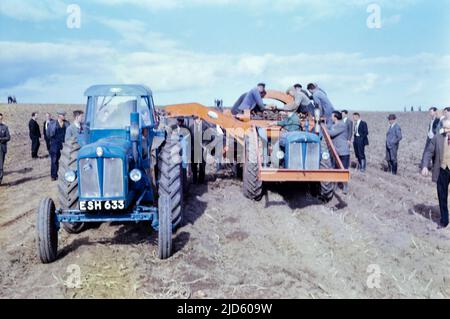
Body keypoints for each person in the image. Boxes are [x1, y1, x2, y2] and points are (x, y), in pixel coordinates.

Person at [421, 119, 450, 229]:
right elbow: (428, 152)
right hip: (442, 170)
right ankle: (444, 221)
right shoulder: (437, 138)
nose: (447, 131)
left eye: (449, 128)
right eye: (445, 128)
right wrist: (424, 166)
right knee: (442, 196)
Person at [329, 111, 350, 194]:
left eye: (332, 116)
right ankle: (336, 186)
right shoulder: (334, 125)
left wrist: (322, 127)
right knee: (336, 169)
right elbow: (330, 128)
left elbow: (332, 133)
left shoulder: (342, 125)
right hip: (336, 151)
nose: (331, 118)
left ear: (335, 117)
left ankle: (345, 187)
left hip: (343, 151)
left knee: (343, 170)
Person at [189, 116, 213, 184]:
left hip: (202, 149)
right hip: (194, 149)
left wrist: (206, 145)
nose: (196, 120)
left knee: (202, 166)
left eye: (197, 119)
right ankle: (194, 179)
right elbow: (189, 138)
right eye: (195, 119)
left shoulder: (205, 127)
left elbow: (210, 137)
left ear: (200, 119)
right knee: (193, 165)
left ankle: (201, 181)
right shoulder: (191, 127)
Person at [47, 110, 70, 181]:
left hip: (64, 143)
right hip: (54, 143)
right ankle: (53, 176)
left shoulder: (67, 123)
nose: (64, 116)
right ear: (59, 116)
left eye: (64, 115)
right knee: (54, 160)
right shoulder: (52, 123)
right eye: (63, 115)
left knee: (66, 160)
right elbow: (48, 134)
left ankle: (68, 175)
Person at [0, 113, 11, 185]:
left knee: (0, 165)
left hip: (1, 148)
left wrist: (1, 139)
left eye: (1, 118)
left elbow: (8, 137)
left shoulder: (5, 127)